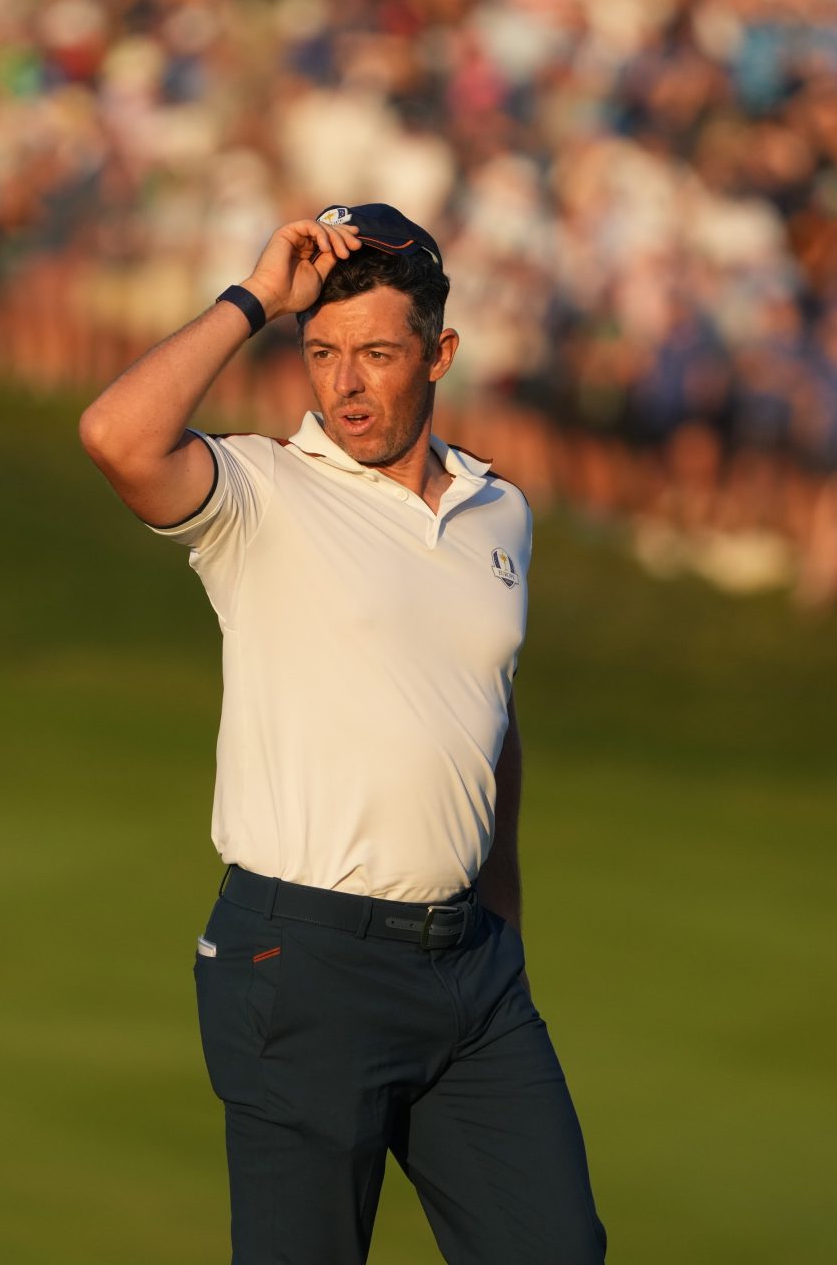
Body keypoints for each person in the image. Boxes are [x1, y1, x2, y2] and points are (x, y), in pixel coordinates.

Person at [78, 204, 606, 1264]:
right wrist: (255, 300)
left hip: (470, 975)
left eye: (376, 354)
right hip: (303, 963)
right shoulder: (265, 491)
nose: (345, 385)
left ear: (439, 355)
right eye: (322, 353)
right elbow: (116, 436)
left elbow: (488, 711)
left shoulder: (499, 511)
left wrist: (499, 914)